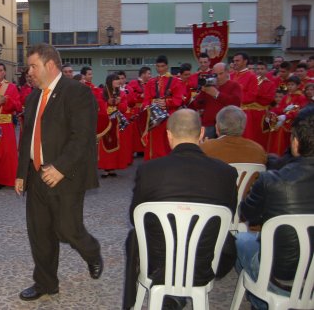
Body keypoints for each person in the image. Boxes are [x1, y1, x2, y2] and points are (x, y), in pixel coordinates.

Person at [123, 109, 237, 310]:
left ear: (168, 135)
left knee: (134, 236)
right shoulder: (226, 172)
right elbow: (229, 217)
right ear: (202, 133)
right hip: (203, 265)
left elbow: (135, 217)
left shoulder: (149, 170)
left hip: (157, 265)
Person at [15, 43, 102, 301]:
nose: (28, 71)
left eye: (33, 66)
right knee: (39, 233)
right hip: (36, 175)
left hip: (65, 176)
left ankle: (92, 251)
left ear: (50, 65)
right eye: (28, 66)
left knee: (67, 230)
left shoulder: (77, 93)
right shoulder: (32, 97)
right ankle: (45, 283)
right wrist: (21, 173)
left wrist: (61, 167)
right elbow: (27, 138)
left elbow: (82, 137)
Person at [236, 106, 314, 310]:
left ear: (295, 142)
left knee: (241, 239)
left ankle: (261, 302)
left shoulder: (272, 180)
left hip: (282, 274)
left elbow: (247, 214)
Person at [141, 55, 185, 160]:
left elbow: (178, 100)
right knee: (154, 144)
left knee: (168, 143)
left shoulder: (176, 81)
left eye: (162, 66)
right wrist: (153, 101)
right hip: (154, 119)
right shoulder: (150, 82)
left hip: (169, 118)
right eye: (158, 66)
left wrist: (166, 102)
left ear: (167, 66)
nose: (160, 69)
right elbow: (145, 101)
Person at [200, 105, 267, 165]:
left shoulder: (206, 148)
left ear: (217, 127)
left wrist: (204, 146)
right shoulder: (258, 151)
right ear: (243, 126)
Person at [190, 62, 242, 139]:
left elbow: (235, 103)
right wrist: (202, 91)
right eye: (215, 74)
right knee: (207, 148)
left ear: (227, 73)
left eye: (221, 74)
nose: (217, 77)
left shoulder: (234, 85)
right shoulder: (209, 86)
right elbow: (197, 104)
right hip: (209, 124)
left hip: (226, 125)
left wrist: (217, 94)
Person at [97, 73, 135, 177]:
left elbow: (124, 108)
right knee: (105, 145)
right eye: (116, 80)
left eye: (118, 80)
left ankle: (112, 168)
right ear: (110, 81)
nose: (118, 81)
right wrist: (108, 103)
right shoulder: (102, 93)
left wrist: (118, 103)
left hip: (116, 122)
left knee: (116, 144)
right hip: (106, 121)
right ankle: (105, 168)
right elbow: (100, 106)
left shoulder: (122, 93)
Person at [266, 76, 308, 156]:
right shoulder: (286, 96)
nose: (290, 87)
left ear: (298, 86)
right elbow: (281, 108)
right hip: (283, 121)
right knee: (273, 129)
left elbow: (298, 111)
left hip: (293, 123)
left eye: (292, 85)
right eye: (288, 85)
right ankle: (274, 154)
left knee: (281, 133)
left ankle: (281, 155)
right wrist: (272, 113)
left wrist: (286, 116)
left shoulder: (301, 97)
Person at [230, 52, 259, 141]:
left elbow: (252, 96)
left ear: (245, 61)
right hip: (230, 111)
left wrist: (235, 99)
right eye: (234, 61)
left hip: (243, 112)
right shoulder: (231, 75)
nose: (235, 63)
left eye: (238, 61)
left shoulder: (251, 76)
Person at [249, 62, 276, 149]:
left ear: (267, 70)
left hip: (263, 114)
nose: (259, 71)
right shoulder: (252, 82)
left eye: (262, 69)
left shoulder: (271, 84)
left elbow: (268, 99)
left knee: (261, 136)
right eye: (258, 69)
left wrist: (256, 95)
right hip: (250, 113)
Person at [128, 66, 152, 155]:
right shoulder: (134, 83)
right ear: (143, 74)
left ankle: (143, 148)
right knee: (136, 131)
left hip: (146, 110)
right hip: (136, 109)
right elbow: (129, 94)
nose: (150, 75)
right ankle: (136, 149)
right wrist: (139, 96)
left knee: (145, 129)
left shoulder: (150, 83)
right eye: (148, 73)